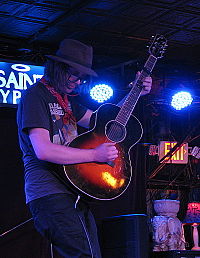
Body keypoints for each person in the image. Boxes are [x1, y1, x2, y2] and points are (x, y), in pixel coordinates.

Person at [17, 38, 152, 258]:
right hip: (49, 192)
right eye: (74, 74)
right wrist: (94, 154)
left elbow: (109, 124)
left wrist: (135, 93)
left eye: (82, 77)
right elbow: (43, 150)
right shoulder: (36, 95)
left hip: (73, 191)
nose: (78, 81)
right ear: (58, 67)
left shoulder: (67, 102)